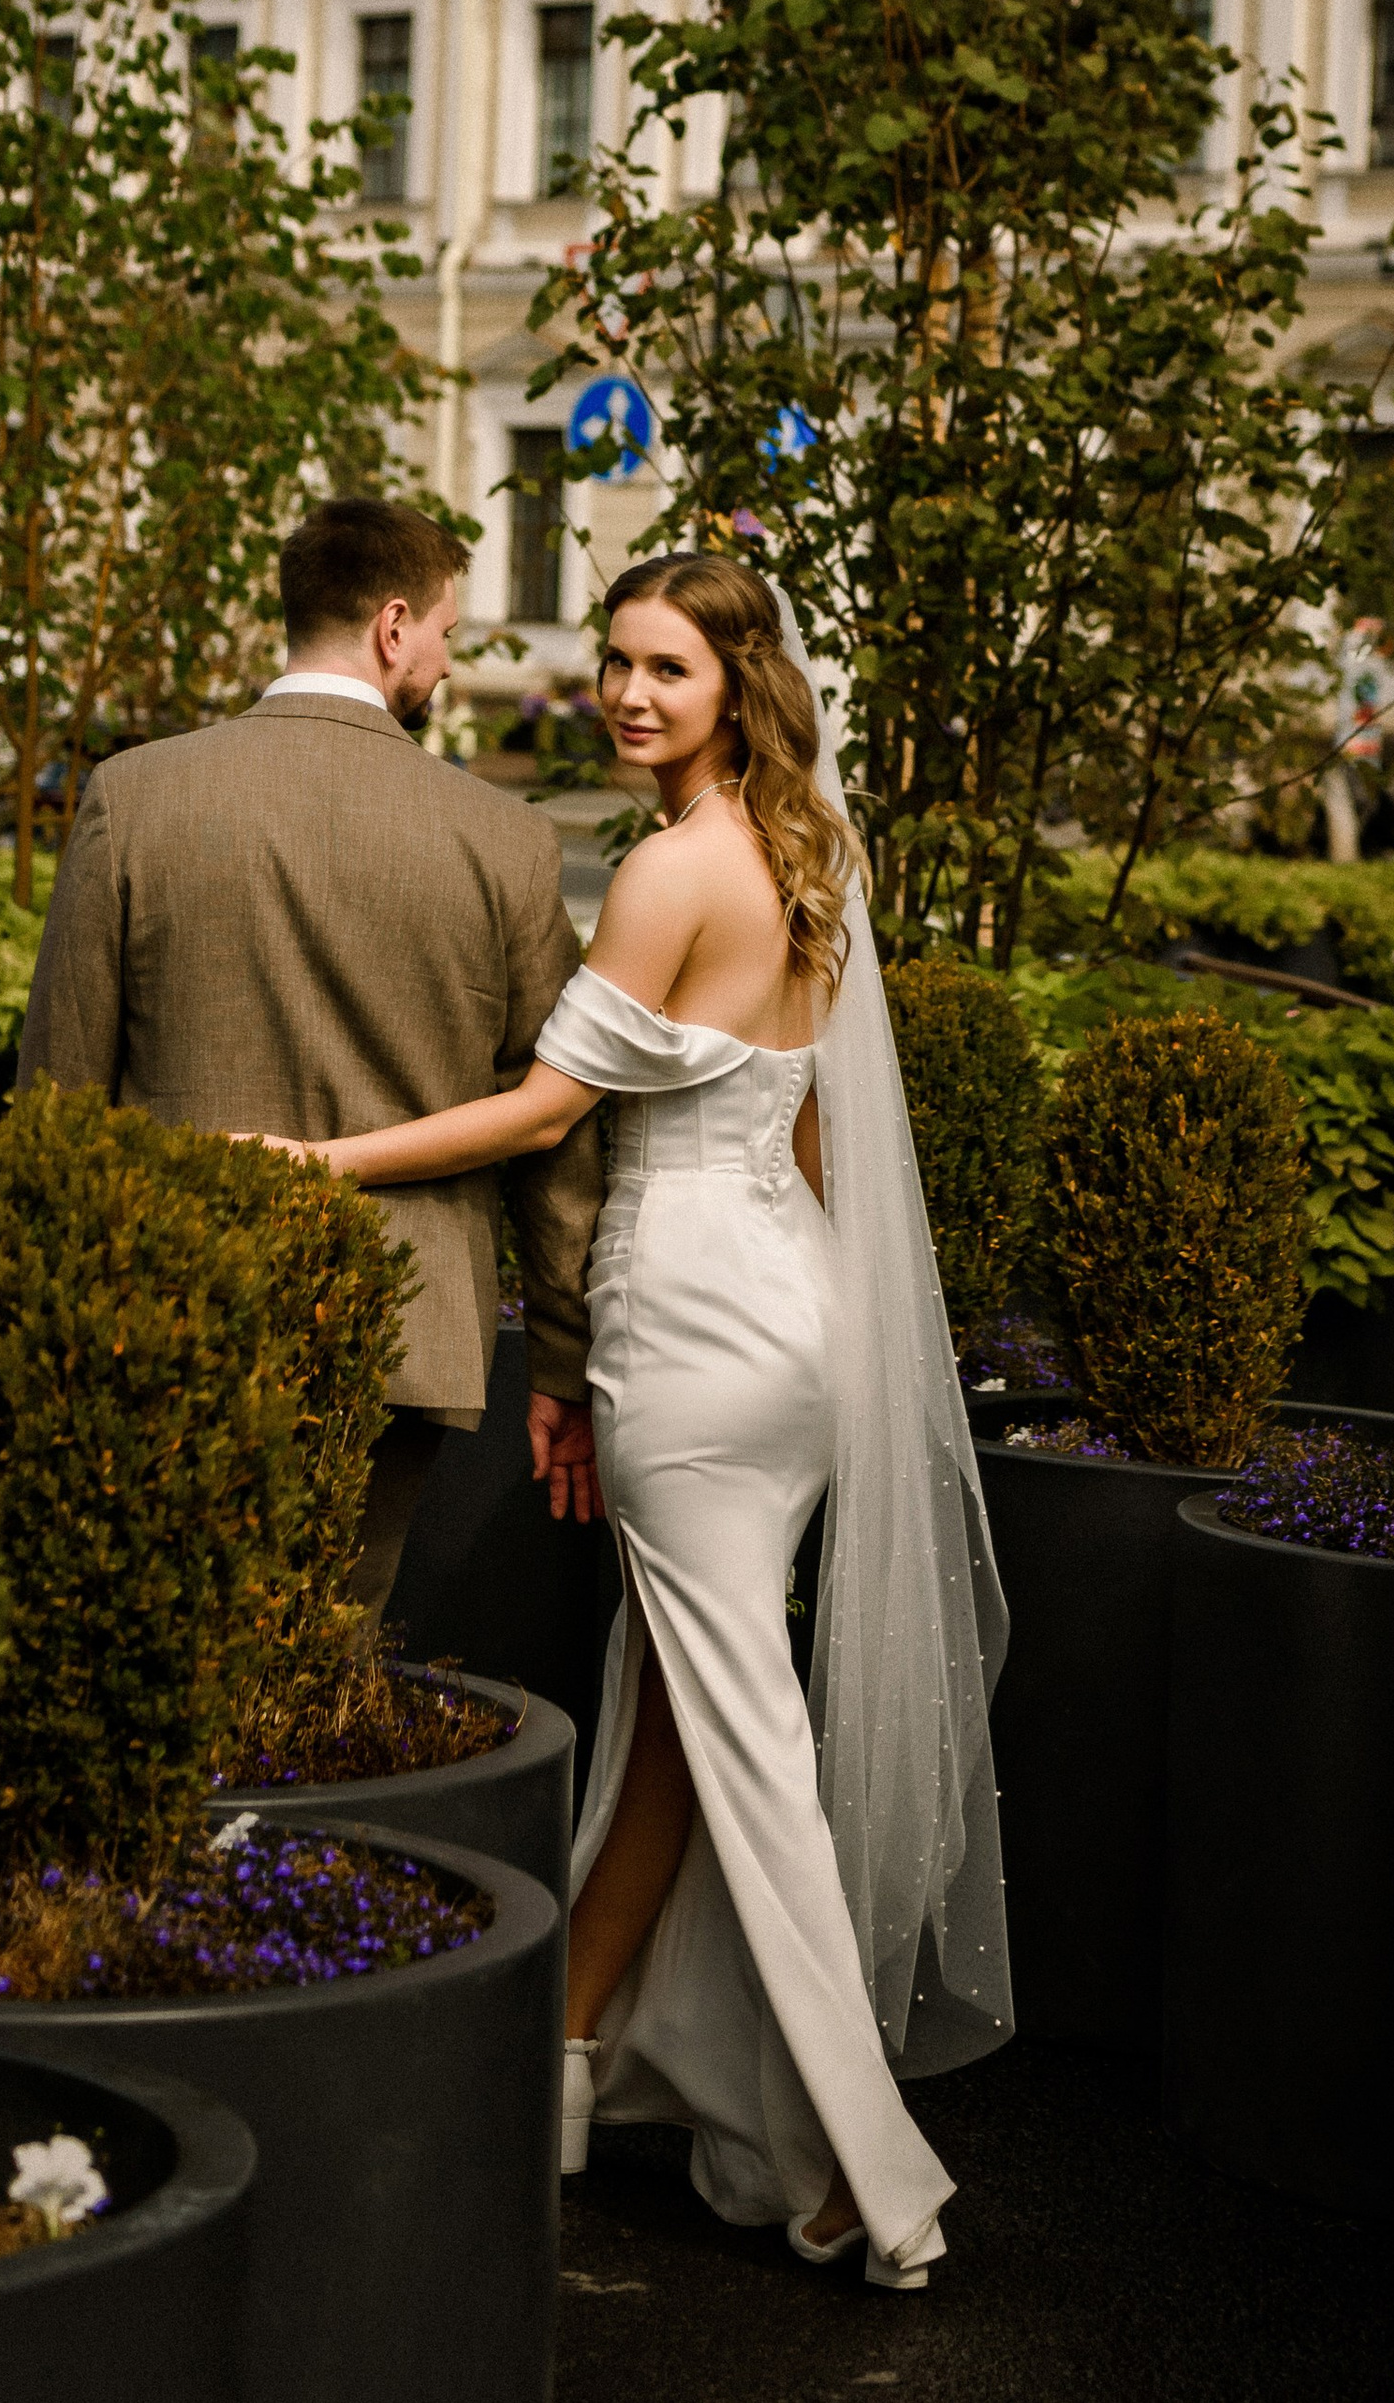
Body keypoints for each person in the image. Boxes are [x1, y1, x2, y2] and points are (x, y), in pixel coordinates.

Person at [275, 554, 1011, 2292]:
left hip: (688, 1320)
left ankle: (864, 2169)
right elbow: (819, 1136)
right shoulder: (805, 855)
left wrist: (313, 1162)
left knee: (735, 1735)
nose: (627, 694)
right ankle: (574, 2057)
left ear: (736, 680)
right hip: (795, 1317)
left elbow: (542, 1116)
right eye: (614, 662)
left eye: (667, 669)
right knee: (681, 1713)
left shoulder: (676, 865)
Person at [16, 494, 605, 1621]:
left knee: (156, 1635)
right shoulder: (506, 841)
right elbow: (556, 1129)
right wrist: (563, 1365)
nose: (442, 658)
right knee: (323, 1647)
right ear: (393, 627)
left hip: (168, 1302)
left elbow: (60, 1088)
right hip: (406, 1329)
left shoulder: (132, 797)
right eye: (443, 631)